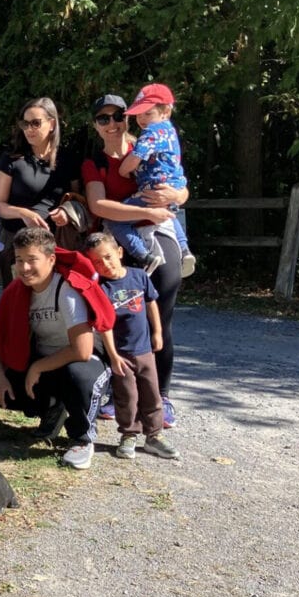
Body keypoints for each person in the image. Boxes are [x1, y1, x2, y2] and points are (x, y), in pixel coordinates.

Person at [82, 93, 188, 427]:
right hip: (117, 246)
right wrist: (147, 210)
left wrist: (178, 195)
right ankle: (120, 393)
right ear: (96, 125)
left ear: (129, 118)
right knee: (118, 320)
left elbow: (179, 185)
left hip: (159, 233)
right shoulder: (94, 163)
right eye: (103, 118)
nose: (112, 123)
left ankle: (161, 397)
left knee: (161, 319)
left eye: (118, 116)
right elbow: (99, 206)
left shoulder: (151, 141)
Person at [0, 228, 113, 470]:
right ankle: (52, 408)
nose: (24, 268)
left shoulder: (66, 289)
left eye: (32, 260)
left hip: (83, 362)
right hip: (46, 361)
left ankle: (82, 438)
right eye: (19, 260)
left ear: (51, 259)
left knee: (77, 377)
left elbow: (83, 350)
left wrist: (37, 367)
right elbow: (8, 339)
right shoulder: (17, 291)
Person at [84, 232, 179, 461]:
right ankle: (129, 434)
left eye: (107, 257)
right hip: (121, 354)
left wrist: (157, 332)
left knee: (152, 393)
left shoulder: (139, 276)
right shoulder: (101, 288)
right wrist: (113, 356)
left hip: (144, 350)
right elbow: (104, 326)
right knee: (127, 397)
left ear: (119, 252)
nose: (105, 264)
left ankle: (154, 436)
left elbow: (151, 304)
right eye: (97, 262)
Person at [0, 97, 81, 286]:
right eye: (25, 123)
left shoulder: (68, 159)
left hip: (55, 244)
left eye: (35, 123)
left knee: (53, 306)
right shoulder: (12, 158)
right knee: (18, 308)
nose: (29, 129)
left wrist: (67, 211)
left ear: (52, 124)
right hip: (17, 244)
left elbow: (78, 199)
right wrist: (23, 213)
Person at [113, 83, 196, 277]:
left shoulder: (152, 132)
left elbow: (135, 159)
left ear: (165, 111)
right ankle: (184, 250)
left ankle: (144, 255)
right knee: (169, 212)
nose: (141, 119)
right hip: (171, 186)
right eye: (139, 114)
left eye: (147, 113)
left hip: (153, 189)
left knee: (114, 221)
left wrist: (123, 170)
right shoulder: (169, 132)